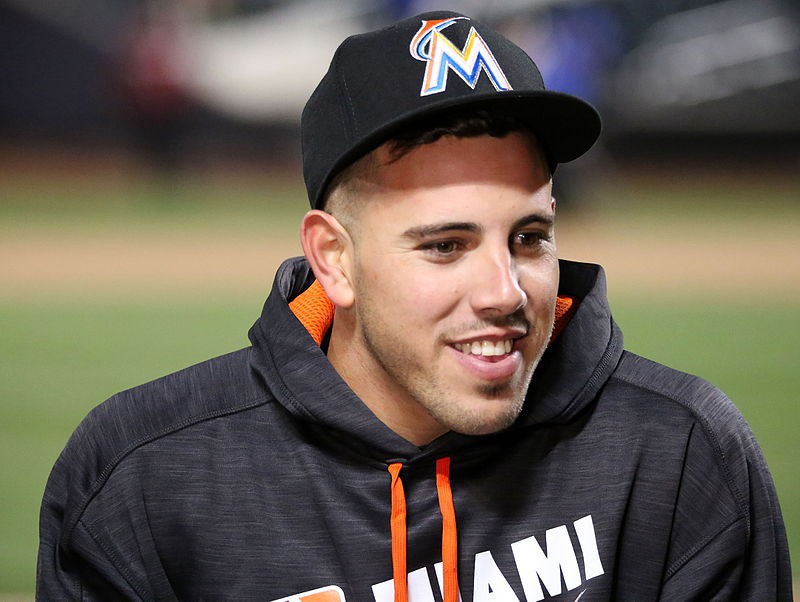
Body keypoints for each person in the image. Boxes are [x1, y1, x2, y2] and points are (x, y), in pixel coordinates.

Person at [37, 10, 791, 601]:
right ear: (334, 259)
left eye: (529, 237)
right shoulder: (144, 478)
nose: (504, 292)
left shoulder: (678, 454)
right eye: (445, 245)